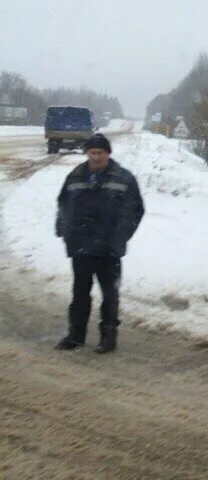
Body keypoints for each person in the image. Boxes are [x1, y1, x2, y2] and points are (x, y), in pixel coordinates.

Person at [54, 133, 144, 353]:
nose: (95, 157)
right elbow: (63, 204)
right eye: (92, 153)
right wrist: (64, 229)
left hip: (109, 250)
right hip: (81, 247)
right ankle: (76, 336)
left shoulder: (124, 178)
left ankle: (108, 339)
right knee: (80, 295)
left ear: (108, 153)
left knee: (110, 296)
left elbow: (136, 210)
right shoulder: (75, 176)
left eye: (100, 153)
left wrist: (121, 235)